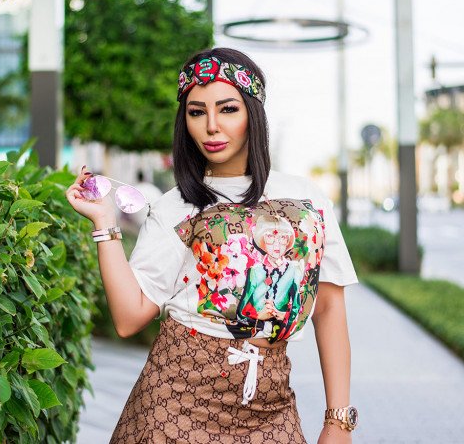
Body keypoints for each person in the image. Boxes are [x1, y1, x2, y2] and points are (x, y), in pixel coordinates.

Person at [65, 47, 360, 443]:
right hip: (176, 407)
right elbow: (128, 317)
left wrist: (337, 421)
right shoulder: (174, 207)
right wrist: (104, 222)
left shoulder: (307, 200)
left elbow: (328, 306)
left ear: (252, 114)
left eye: (228, 109)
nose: (211, 127)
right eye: (196, 112)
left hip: (271, 408)